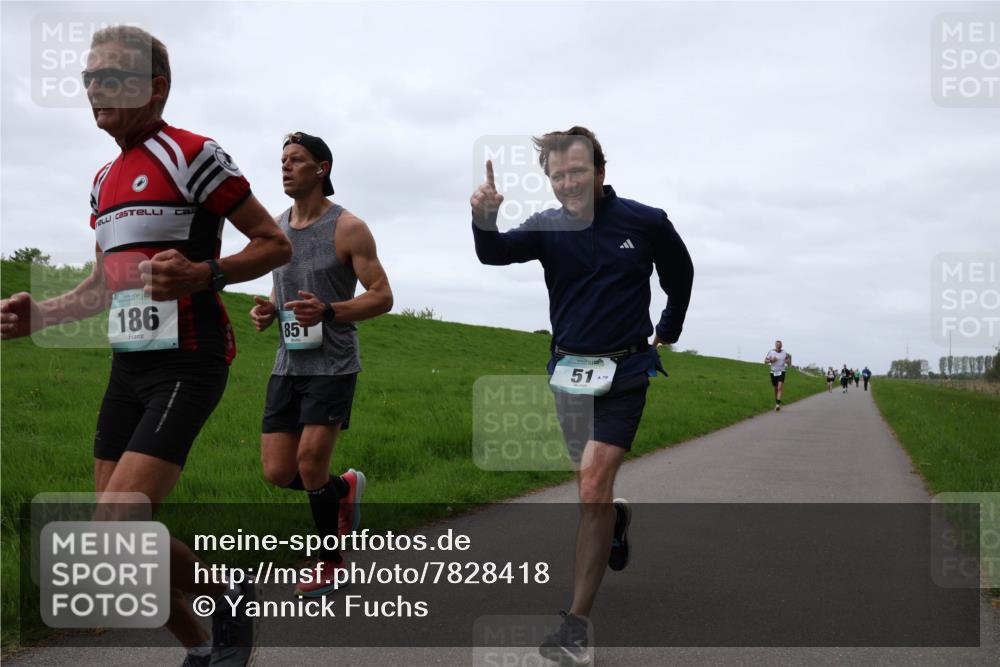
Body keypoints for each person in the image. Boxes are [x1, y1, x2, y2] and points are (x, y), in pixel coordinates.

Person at [0, 26, 291, 667]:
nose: (95, 89)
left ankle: (226, 601)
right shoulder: (104, 178)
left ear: (156, 87)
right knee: (125, 545)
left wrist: (204, 273)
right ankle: (204, 645)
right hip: (127, 366)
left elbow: (275, 244)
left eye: (112, 76)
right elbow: (106, 281)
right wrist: (40, 315)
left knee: (115, 534)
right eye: (88, 78)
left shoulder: (194, 155)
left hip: (190, 358)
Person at [470, 126, 693, 666]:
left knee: (591, 485)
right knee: (589, 486)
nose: (567, 182)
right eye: (557, 175)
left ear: (600, 170)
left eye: (577, 171)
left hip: (627, 370)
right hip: (568, 371)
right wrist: (484, 218)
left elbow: (679, 272)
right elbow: (493, 255)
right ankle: (614, 520)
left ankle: (575, 625)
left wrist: (670, 325)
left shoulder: (645, 221)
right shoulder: (547, 227)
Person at [250, 132, 393, 597]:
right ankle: (344, 489)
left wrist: (329, 311)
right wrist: (271, 307)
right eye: (283, 160)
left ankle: (329, 561)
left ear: (321, 169)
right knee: (277, 471)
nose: (286, 167)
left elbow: (382, 297)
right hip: (288, 363)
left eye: (296, 160)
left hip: (333, 364)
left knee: (310, 462)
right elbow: (285, 285)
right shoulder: (277, 227)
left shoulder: (348, 228)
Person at [764, 340, 792, 411]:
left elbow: (789, 363)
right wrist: (771, 361)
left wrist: (788, 362)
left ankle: (777, 405)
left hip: (781, 371)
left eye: (779, 345)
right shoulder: (771, 352)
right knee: (776, 388)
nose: (778, 346)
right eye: (777, 345)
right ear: (775, 345)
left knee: (780, 388)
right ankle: (777, 401)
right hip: (773, 372)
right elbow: (765, 361)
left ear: (781, 346)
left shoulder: (784, 352)